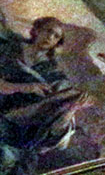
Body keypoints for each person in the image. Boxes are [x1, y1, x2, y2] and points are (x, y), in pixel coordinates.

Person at [0, 16, 87, 170]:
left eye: (56, 36)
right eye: (48, 31)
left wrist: (72, 108)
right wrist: (25, 88)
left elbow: (57, 118)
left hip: (18, 124)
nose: (50, 37)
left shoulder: (53, 73)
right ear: (36, 30)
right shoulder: (8, 48)